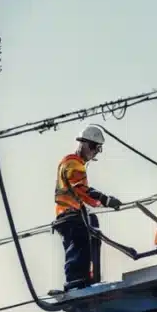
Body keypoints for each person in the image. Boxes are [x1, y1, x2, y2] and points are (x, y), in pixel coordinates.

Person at [53, 124, 122, 290]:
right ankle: (76, 281)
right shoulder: (73, 163)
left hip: (73, 214)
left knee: (91, 231)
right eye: (92, 147)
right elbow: (81, 190)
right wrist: (106, 200)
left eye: (97, 149)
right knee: (80, 245)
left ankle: (88, 278)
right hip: (69, 215)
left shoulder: (76, 164)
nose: (94, 152)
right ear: (82, 143)